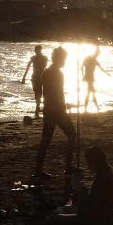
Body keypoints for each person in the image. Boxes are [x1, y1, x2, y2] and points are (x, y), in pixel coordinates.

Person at [35, 47, 76, 181]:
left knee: (46, 139)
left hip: (49, 109)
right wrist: (63, 107)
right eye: (64, 58)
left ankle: (38, 169)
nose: (65, 61)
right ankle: (68, 166)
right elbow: (57, 92)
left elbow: (49, 92)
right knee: (71, 135)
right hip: (56, 110)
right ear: (59, 58)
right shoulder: (56, 73)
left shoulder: (47, 71)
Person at [20, 45, 48, 117]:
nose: (36, 51)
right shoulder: (40, 58)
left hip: (39, 77)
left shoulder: (38, 58)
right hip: (39, 77)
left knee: (39, 93)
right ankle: (39, 107)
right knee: (39, 93)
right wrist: (24, 77)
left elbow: (28, 68)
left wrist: (24, 77)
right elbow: (28, 67)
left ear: (39, 50)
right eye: (36, 50)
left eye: (37, 50)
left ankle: (38, 107)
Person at [82, 45, 108, 111]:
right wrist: (107, 73)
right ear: (96, 53)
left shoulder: (88, 58)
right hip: (90, 78)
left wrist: (83, 76)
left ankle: (92, 108)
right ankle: (94, 108)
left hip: (89, 77)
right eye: (98, 54)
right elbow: (101, 68)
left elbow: (81, 67)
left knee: (90, 93)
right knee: (90, 93)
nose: (98, 56)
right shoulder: (93, 59)